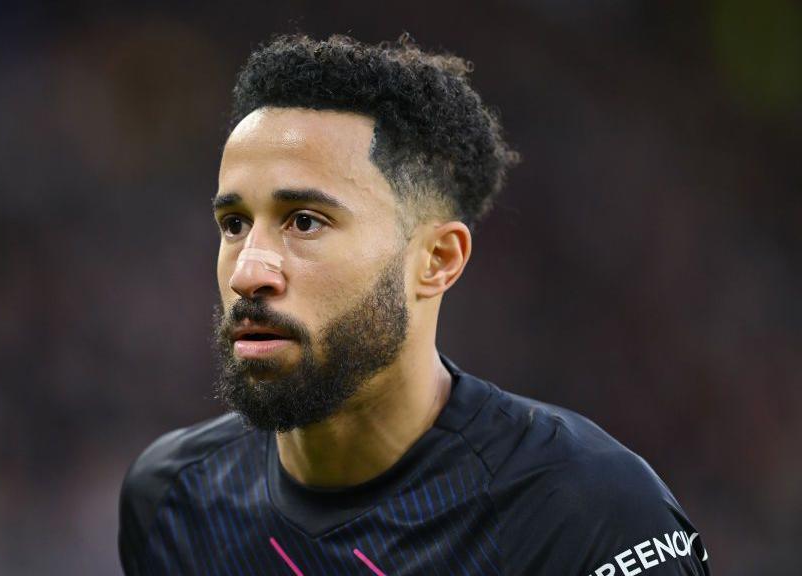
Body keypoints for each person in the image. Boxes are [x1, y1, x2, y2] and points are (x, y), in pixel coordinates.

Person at [118, 33, 710, 575]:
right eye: (234, 223)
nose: (249, 271)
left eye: (304, 221)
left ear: (436, 260)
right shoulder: (170, 500)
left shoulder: (587, 515)